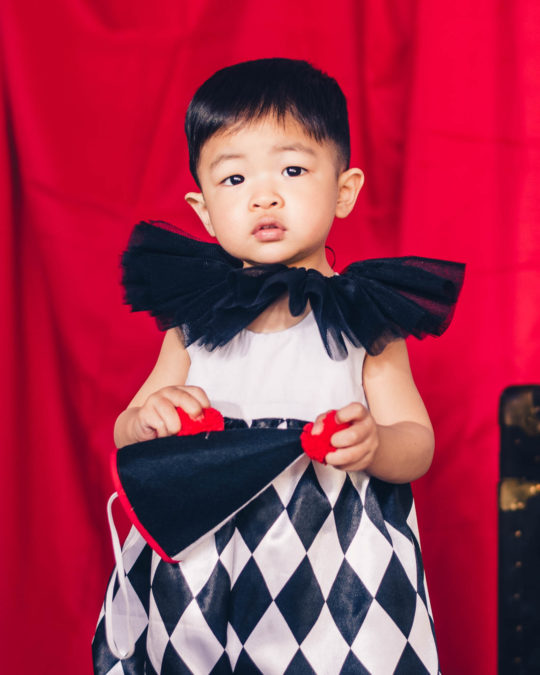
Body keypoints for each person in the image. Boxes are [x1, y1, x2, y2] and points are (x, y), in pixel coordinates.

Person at [93, 58, 464, 674]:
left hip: (334, 561)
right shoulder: (196, 318)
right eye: (233, 180)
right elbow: (126, 429)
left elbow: (417, 444)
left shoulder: (365, 317)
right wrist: (147, 419)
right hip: (202, 557)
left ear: (344, 190)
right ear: (204, 210)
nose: (264, 195)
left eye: (292, 170)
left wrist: (374, 444)